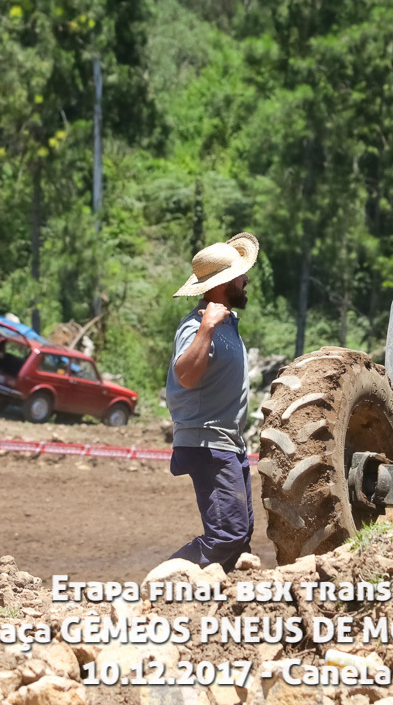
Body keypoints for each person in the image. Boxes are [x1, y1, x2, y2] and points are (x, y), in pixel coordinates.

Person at [165, 232, 259, 572]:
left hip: (228, 443)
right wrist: (205, 328)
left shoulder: (228, 324)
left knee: (241, 534)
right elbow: (186, 376)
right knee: (227, 535)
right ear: (224, 282)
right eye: (241, 274)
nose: (247, 279)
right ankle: (168, 579)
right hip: (207, 441)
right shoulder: (197, 324)